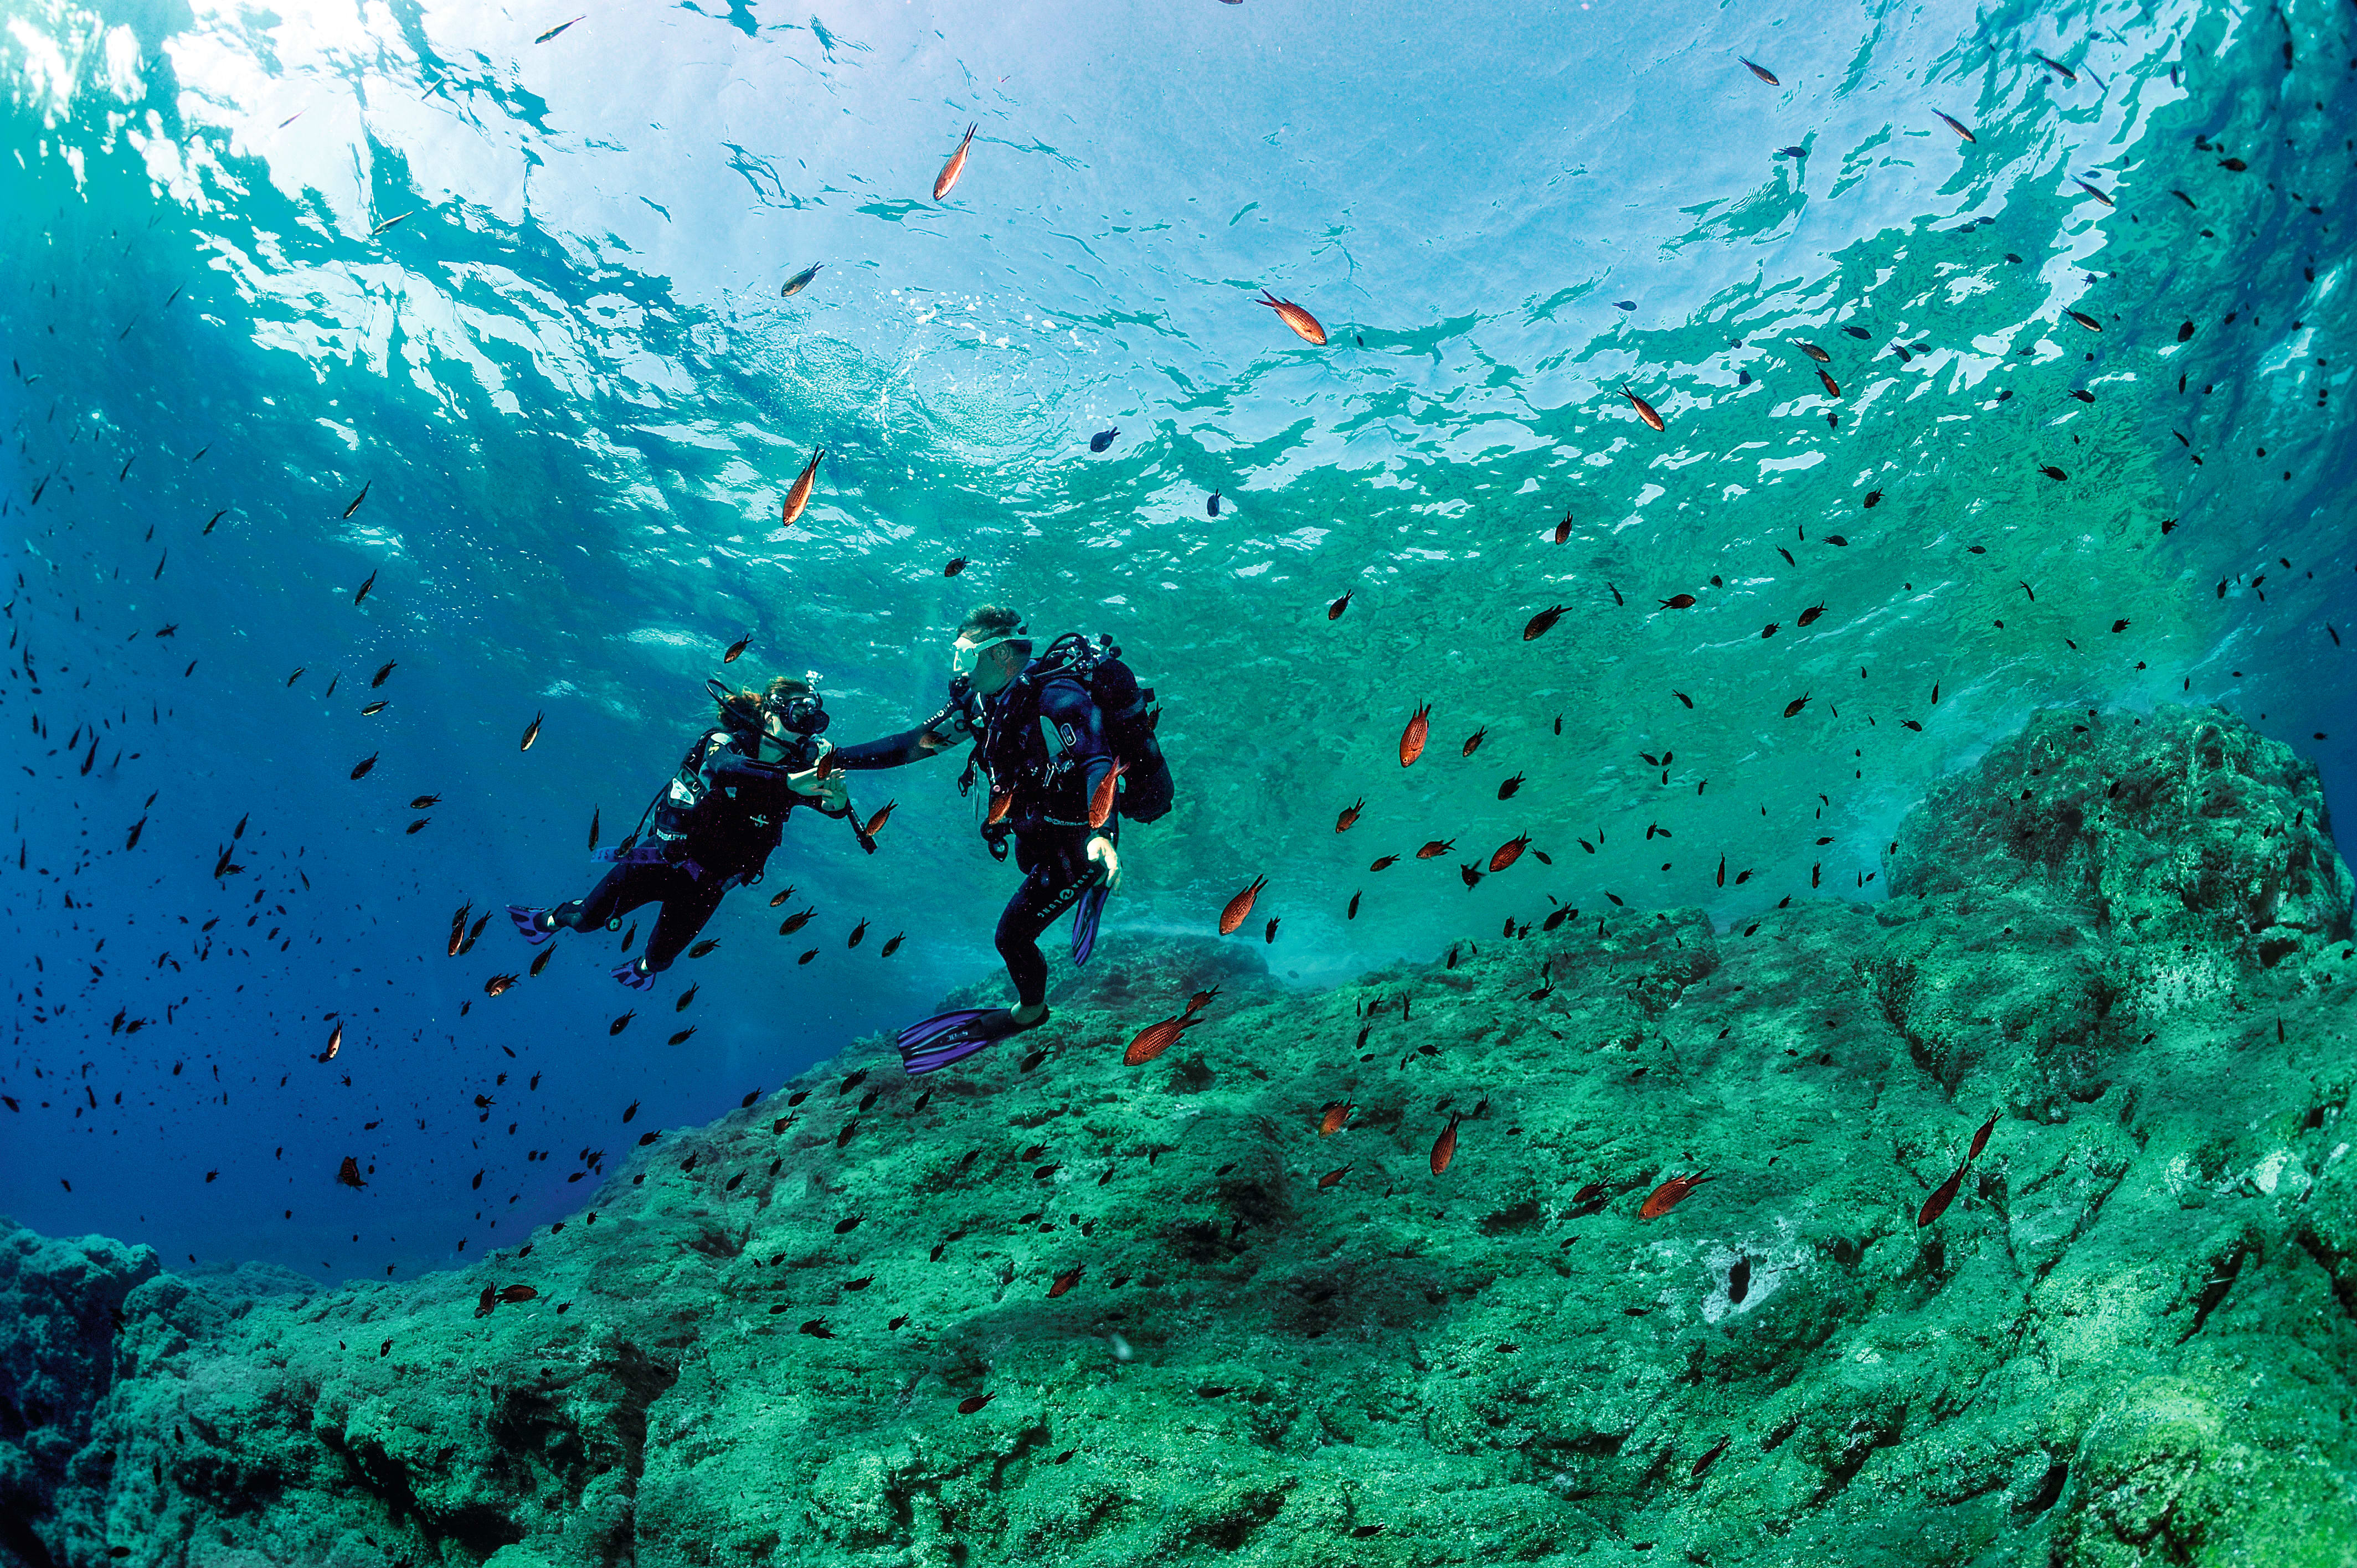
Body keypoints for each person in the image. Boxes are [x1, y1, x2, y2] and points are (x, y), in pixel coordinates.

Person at [828, 605, 1157, 1072]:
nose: (957, 667)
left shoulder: (1058, 695)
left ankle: (1030, 1013)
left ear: (1001, 654)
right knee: (1028, 865)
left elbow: (1095, 762)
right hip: (1040, 834)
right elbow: (911, 745)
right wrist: (835, 758)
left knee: (1012, 937)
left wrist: (1102, 835)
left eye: (965, 654)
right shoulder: (978, 705)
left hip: (1083, 838)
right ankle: (1092, 882)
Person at [507, 674, 857, 989]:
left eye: (813, 723)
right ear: (771, 714)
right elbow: (725, 767)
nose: (806, 731)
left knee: (659, 961)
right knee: (584, 921)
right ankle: (549, 919)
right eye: (799, 717)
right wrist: (791, 780)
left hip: (707, 888)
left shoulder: (802, 773)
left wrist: (837, 801)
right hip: (658, 861)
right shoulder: (724, 741)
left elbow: (831, 805)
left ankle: (642, 969)